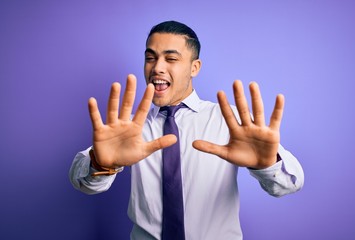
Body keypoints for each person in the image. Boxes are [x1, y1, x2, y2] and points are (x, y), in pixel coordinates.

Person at [69, 20, 304, 239]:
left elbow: (290, 183)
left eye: (170, 59)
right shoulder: (127, 129)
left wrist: (267, 163)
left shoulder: (230, 122)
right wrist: (101, 164)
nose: (157, 67)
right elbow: (83, 183)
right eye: (151, 58)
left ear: (194, 67)